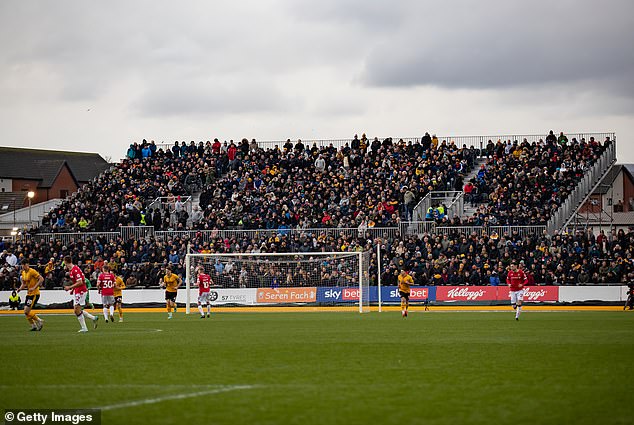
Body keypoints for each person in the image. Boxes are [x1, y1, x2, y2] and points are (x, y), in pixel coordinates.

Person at [63, 256, 98, 333]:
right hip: (77, 290)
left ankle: (85, 327)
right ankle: (93, 318)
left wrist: (70, 287)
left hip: (81, 291)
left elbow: (80, 282)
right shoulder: (73, 269)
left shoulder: (75, 270)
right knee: (77, 310)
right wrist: (73, 289)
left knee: (76, 309)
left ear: (65, 262)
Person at [17, 263, 44, 331]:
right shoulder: (23, 273)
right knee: (26, 311)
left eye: (24, 265)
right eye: (22, 265)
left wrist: (34, 287)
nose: (23, 267)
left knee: (26, 311)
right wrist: (20, 288)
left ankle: (39, 320)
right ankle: (33, 326)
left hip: (34, 294)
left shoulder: (32, 271)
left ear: (27, 265)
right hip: (29, 294)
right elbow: (24, 284)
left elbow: (41, 279)